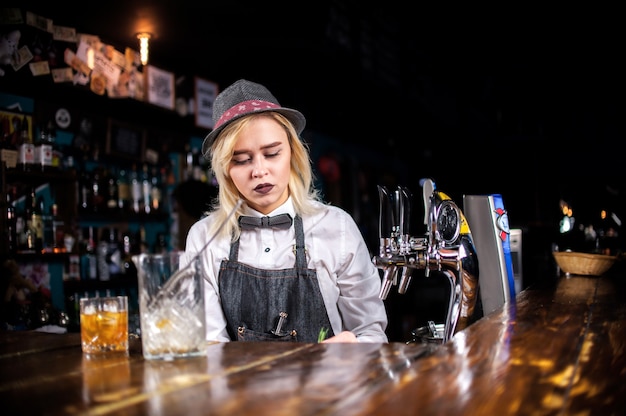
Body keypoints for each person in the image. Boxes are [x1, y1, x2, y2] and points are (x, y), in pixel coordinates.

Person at [184, 79, 388, 343]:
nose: (259, 171)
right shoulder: (204, 238)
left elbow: (371, 333)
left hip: (326, 383)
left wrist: (353, 349)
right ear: (225, 169)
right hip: (239, 383)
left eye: (271, 154)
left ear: (292, 153)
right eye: (242, 160)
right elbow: (209, 346)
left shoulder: (337, 227)